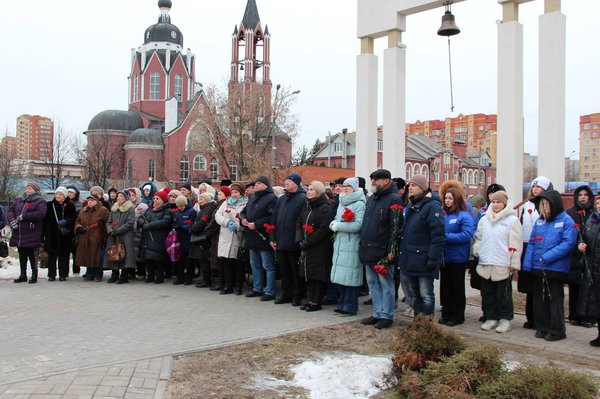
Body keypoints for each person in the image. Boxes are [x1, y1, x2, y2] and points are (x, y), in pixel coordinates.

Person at [523, 189, 577, 342]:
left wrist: (547, 257)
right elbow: (532, 242)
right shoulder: (540, 221)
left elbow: (568, 244)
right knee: (539, 300)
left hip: (555, 268)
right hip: (538, 268)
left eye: (547, 205)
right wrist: (528, 264)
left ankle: (557, 329)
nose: (544, 208)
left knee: (554, 300)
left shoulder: (566, 221)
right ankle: (543, 326)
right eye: (542, 205)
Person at [472, 191, 522, 333]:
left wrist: (513, 262)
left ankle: (505, 319)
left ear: (504, 204)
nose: (495, 205)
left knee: (503, 294)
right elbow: (479, 238)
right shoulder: (484, 219)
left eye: (498, 202)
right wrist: (477, 250)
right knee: (487, 293)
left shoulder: (512, 221)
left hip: (503, 264)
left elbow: (516, 243)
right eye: (493, 202)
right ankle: (491, 317)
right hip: (486, 261)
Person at [360, 169, 403, 329]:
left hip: (383, 251)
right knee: (372, 282)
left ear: (386, 181)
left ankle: (387, 315)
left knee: (386, 284)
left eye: (376, 179)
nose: (373, 182)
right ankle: (377, 312)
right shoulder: (371, 199)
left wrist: (392, 249)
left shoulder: (394, 199)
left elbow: (396, 227)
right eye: (372, 179)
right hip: (368, 249)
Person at [398, 175, 444, 320]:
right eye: (409, 185)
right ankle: (418, 322)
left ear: (423, 188)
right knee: (414, 292)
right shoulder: (412, 205)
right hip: (411, 257)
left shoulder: (431, 207)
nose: (409, 187)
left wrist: (432, 257)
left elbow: (438, 234)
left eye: (414, 185)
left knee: (426, 294)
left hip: (424, 257)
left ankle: (427, 324)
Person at [438, 184, 475, 326]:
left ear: (457, 199)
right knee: (445, 287)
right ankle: (446, 312)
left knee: (457, 287)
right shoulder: (444, 215)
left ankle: (458, 315)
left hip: (458, 257)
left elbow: (467, 235)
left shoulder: (463, 216)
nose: (447, 201)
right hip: (445, 256)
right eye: (446, 198)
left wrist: (446, 237)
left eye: (450, 198)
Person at [519, 176, 552, 329]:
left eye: (539, 187)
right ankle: (530, 317)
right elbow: (521, 223)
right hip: (527, 246)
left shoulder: (548, 205)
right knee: (529, 285)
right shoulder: (527, 205)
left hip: (541, 247)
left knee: (539, 285)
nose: (535, 189)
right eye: (534, 186)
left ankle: (541, 318)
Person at [330, 177, 366, 316]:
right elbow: (338, 219)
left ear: (355, 188)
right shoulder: (342, 202)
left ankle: (350, 306)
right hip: (340, 242)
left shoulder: (359, 203)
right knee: (341, 276)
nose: (345, 188)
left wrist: (339, 226)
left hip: (352, 243)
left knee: (350, 275)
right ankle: (342, 303)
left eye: (348, 186)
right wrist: (333, 223)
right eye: (344, 186)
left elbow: (358, 225)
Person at [270, 173, 307, 306]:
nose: (286, 182)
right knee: (284, 270)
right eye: (285, 180)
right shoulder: (281, 199)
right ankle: (286, 293)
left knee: (295, 270)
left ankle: (297, 295)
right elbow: (274, 219)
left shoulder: (303, 198)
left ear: (297, 183)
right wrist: (272, 237)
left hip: (294, 241)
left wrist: (299, 239)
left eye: (289, 181)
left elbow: (302, 220)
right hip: (280, 240)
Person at [296, 181, 334, 312]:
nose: (308, 191)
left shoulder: (324, 207)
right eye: (308, 189)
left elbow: (323, 229)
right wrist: (300, 239)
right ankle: (310, 299)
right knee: (308, 274)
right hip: (306, 245)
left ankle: (316, 301)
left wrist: (308, 242)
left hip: (318, 247)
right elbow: (300, 222)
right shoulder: (307, 206)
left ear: (318, 191)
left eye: (312, 189)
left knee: (317, 275)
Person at [240, 175, 277, 301]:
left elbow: (271, 217)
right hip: (251, 236)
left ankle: (270, 291)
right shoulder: (252, 197)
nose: (256, 185)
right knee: (254, 264)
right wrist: (243, 219)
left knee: (268, 265)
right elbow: (243, 212)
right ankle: (257, 288)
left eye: (259, 183)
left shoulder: (272, 198)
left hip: (264, 237)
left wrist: (256, 224)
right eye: (255, 183)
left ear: (266, 185)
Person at [566, 185, 595, 327]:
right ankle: (573, 315)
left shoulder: (594, 213)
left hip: (591, 255)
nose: (583, 197)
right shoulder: (570, 213)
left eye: (586, 195)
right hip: (574, 255)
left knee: (588, 288)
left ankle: (587, 317)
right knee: (574, 286)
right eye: (580, 195)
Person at [8, 182, 48, 284]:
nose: (27, 190)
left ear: (35, 190)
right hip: (19, 232)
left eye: (30, 188)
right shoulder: (19, 200)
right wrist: (12, 220)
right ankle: (23, 274)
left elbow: (41, 214)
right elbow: (11, 210)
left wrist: (24, 216)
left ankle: (34, 275)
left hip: (32, 231)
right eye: (27, 188)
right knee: (22, 254)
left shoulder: (40, 201)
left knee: (32, 254)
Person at [215, 183, 248, 295]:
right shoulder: (226, 202)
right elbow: (218, 215)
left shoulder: (245, 203)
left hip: (237, 237)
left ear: (241, 193)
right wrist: (227, 222)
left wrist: (238, 226)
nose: (234, 194)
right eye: (232, 192)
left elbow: (245, 218)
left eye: (236, 192)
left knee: (237, 263)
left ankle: (238, 286)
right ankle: (228, 286)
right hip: (225, 235)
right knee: (226, 262)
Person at [576, 195, 600, 347]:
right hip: (592, 268)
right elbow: (583, 237)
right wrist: (581, 244)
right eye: (598, 202)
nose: (599, 205)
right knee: (595, 303)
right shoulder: (592, 220)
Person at [138, 188, 174, 284]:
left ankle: (159, 276)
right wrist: (143, 224)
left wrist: (150, 226)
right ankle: (150, 276)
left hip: (159, 238)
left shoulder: (167, 211)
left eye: (157, 198)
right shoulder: (149, 209)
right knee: (148, 259)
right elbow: (141, 217)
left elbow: (165, 222)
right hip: (147, 237)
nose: (155, 200)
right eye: (154, 198)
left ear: (163, 200)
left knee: (158, 260)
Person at [44, 187, 76, 281]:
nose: (58, 196)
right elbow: (45, 220)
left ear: (65, 195)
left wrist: (67, 221)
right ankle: (51, 274)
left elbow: (74, 218)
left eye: (60, 194)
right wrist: (47, 232)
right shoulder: (50, 205)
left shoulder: (70, 205)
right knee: (52, 255)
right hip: (52, 233)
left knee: (64, 255)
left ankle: (63, 274)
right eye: (57, 194)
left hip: (65, 234)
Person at [75, 195, 109, 282]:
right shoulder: (83, 210)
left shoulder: (102, 210)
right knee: (88, 255)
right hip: (85, 236)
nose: (89, 202)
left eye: (92, 200)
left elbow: (107, 223)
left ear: (97, 201)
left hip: (97, 236)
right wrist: (78, 227)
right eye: (88, 200)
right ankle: (89, 273)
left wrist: (106, 236)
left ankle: (98, 274)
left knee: (97, 256)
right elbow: (77, 220)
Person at [105, 190, 136, 284]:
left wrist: (118, 230)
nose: (119, 198)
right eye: (118, 196)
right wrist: (110, 231)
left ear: (126, 198)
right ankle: (114, 274)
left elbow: (130, 222)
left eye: (121, 196)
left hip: (125, 235)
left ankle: (124, 275)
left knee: (124, 254)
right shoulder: (114, 208)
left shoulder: (130, 208)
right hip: (113, 235)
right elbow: (108, 222)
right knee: (113, 253)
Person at [190, 192, 217, 287]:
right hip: (202, 237)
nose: (199, 201)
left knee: (204, 259)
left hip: (203, 237)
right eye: (199, 199)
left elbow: (202, 222)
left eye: (201, 199)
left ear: (206, 200)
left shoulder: (207, 209)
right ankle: (204, 278)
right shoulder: (204, 209)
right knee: (202, 259)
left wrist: (193, 229)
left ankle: (206, 280)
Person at [205, 187, 229, 291]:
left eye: (220, 194)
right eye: (218, 194)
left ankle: (220, 282)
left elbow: (215, 221)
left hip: (219, 234)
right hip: (216, 235)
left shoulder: (222, 205)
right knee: (216, 258)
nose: (218, 196)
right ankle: (218, 281)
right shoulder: (219, 205)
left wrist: (207, 231)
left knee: (218, 259)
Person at [172, 195, 197, 285]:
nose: (180, 208)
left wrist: (184, 228)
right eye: (178, 206)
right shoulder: (177, 212)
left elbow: (192, 224)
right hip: (179, 238)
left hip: (188, 237)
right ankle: (180, 277)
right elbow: (174, 222)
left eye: (182, 206)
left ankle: (189, 278)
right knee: (180, 259)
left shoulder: (192, 211)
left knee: (189, 260)